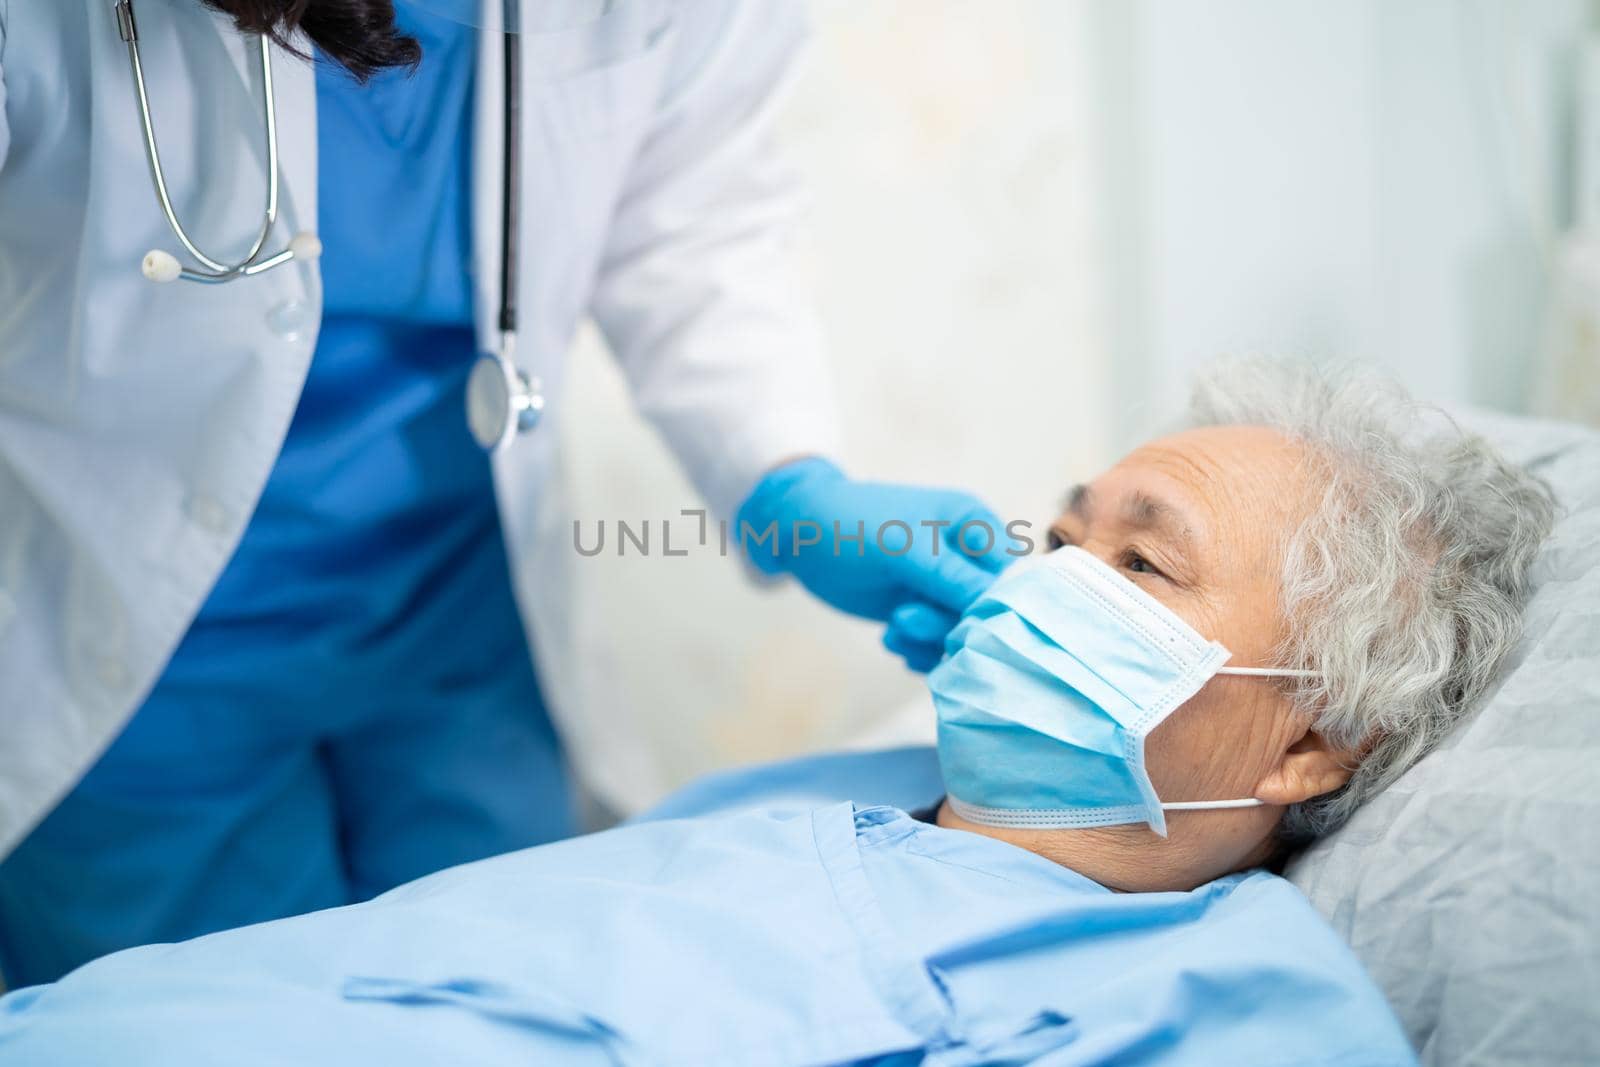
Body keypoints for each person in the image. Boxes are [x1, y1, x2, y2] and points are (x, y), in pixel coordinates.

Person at [0, 361, 1554, 1063]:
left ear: (1308, 738)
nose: (1049, 577)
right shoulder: (837, 795)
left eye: (1140, 560)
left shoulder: (1216, 998)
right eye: (1061, 533)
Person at [0, 0, 1009, 987]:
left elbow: (694, 222)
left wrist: (791, 481)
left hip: (458, 617)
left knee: (501, 978)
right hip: (135, 642)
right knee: (211, 1014)